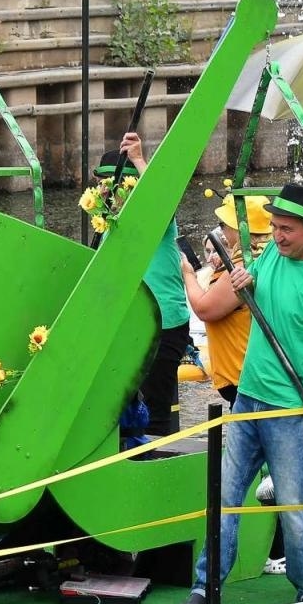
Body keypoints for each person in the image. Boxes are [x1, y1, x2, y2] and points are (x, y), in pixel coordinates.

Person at [175, 183, 303, 604]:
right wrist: (245, 280)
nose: (277, 236)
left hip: (293, 411)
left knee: (293, 507)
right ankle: (206, 583)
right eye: (273, 227)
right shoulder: (273, 251)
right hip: (248, 399)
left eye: (287, 229)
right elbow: (249, 285)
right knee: (224, 496)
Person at [112, 134, 191, 437]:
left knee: (156, 406)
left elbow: (162, 199)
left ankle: (156, 459)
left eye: (117, 184)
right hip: (125, 324)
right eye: (104, 184)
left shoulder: (157, 220)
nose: (111, 190)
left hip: (165, 322)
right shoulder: (107, 222)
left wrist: (139, 160)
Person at [180, 194, 271, 405]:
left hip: (245, 378)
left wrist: (188, 275)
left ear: (240, 228)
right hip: (251, 376)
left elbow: (205, 309)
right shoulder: (267, 257)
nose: (221, 230)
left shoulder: (245, 265)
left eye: (224, 224)